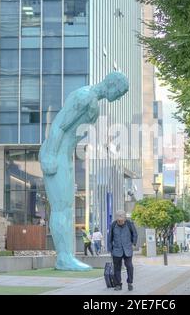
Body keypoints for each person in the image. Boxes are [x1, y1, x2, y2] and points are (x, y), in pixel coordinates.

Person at [39, 72, 129, 270]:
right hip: (56, 154)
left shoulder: (94, 104)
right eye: (120, 92)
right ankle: (63, 258)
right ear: (112, 85)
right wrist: (50, 156)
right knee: (61, 207)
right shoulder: (84, 96)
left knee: (68, 209)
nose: (119, 97)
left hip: (65, 155)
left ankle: (67, 256)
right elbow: (59, 126)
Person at [108, 210, 138, 291]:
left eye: (121, 220)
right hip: (116, 250)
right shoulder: (113, 225)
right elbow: (109, 237)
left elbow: (134, 233)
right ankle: (118, 285)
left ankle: (130, 282)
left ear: (125, 218)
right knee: (117, 268)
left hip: (127, 249)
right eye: (118, 220)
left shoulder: (129, 224)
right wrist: (110, 249)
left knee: (129, 266)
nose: (120, 221)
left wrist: (133, 243)